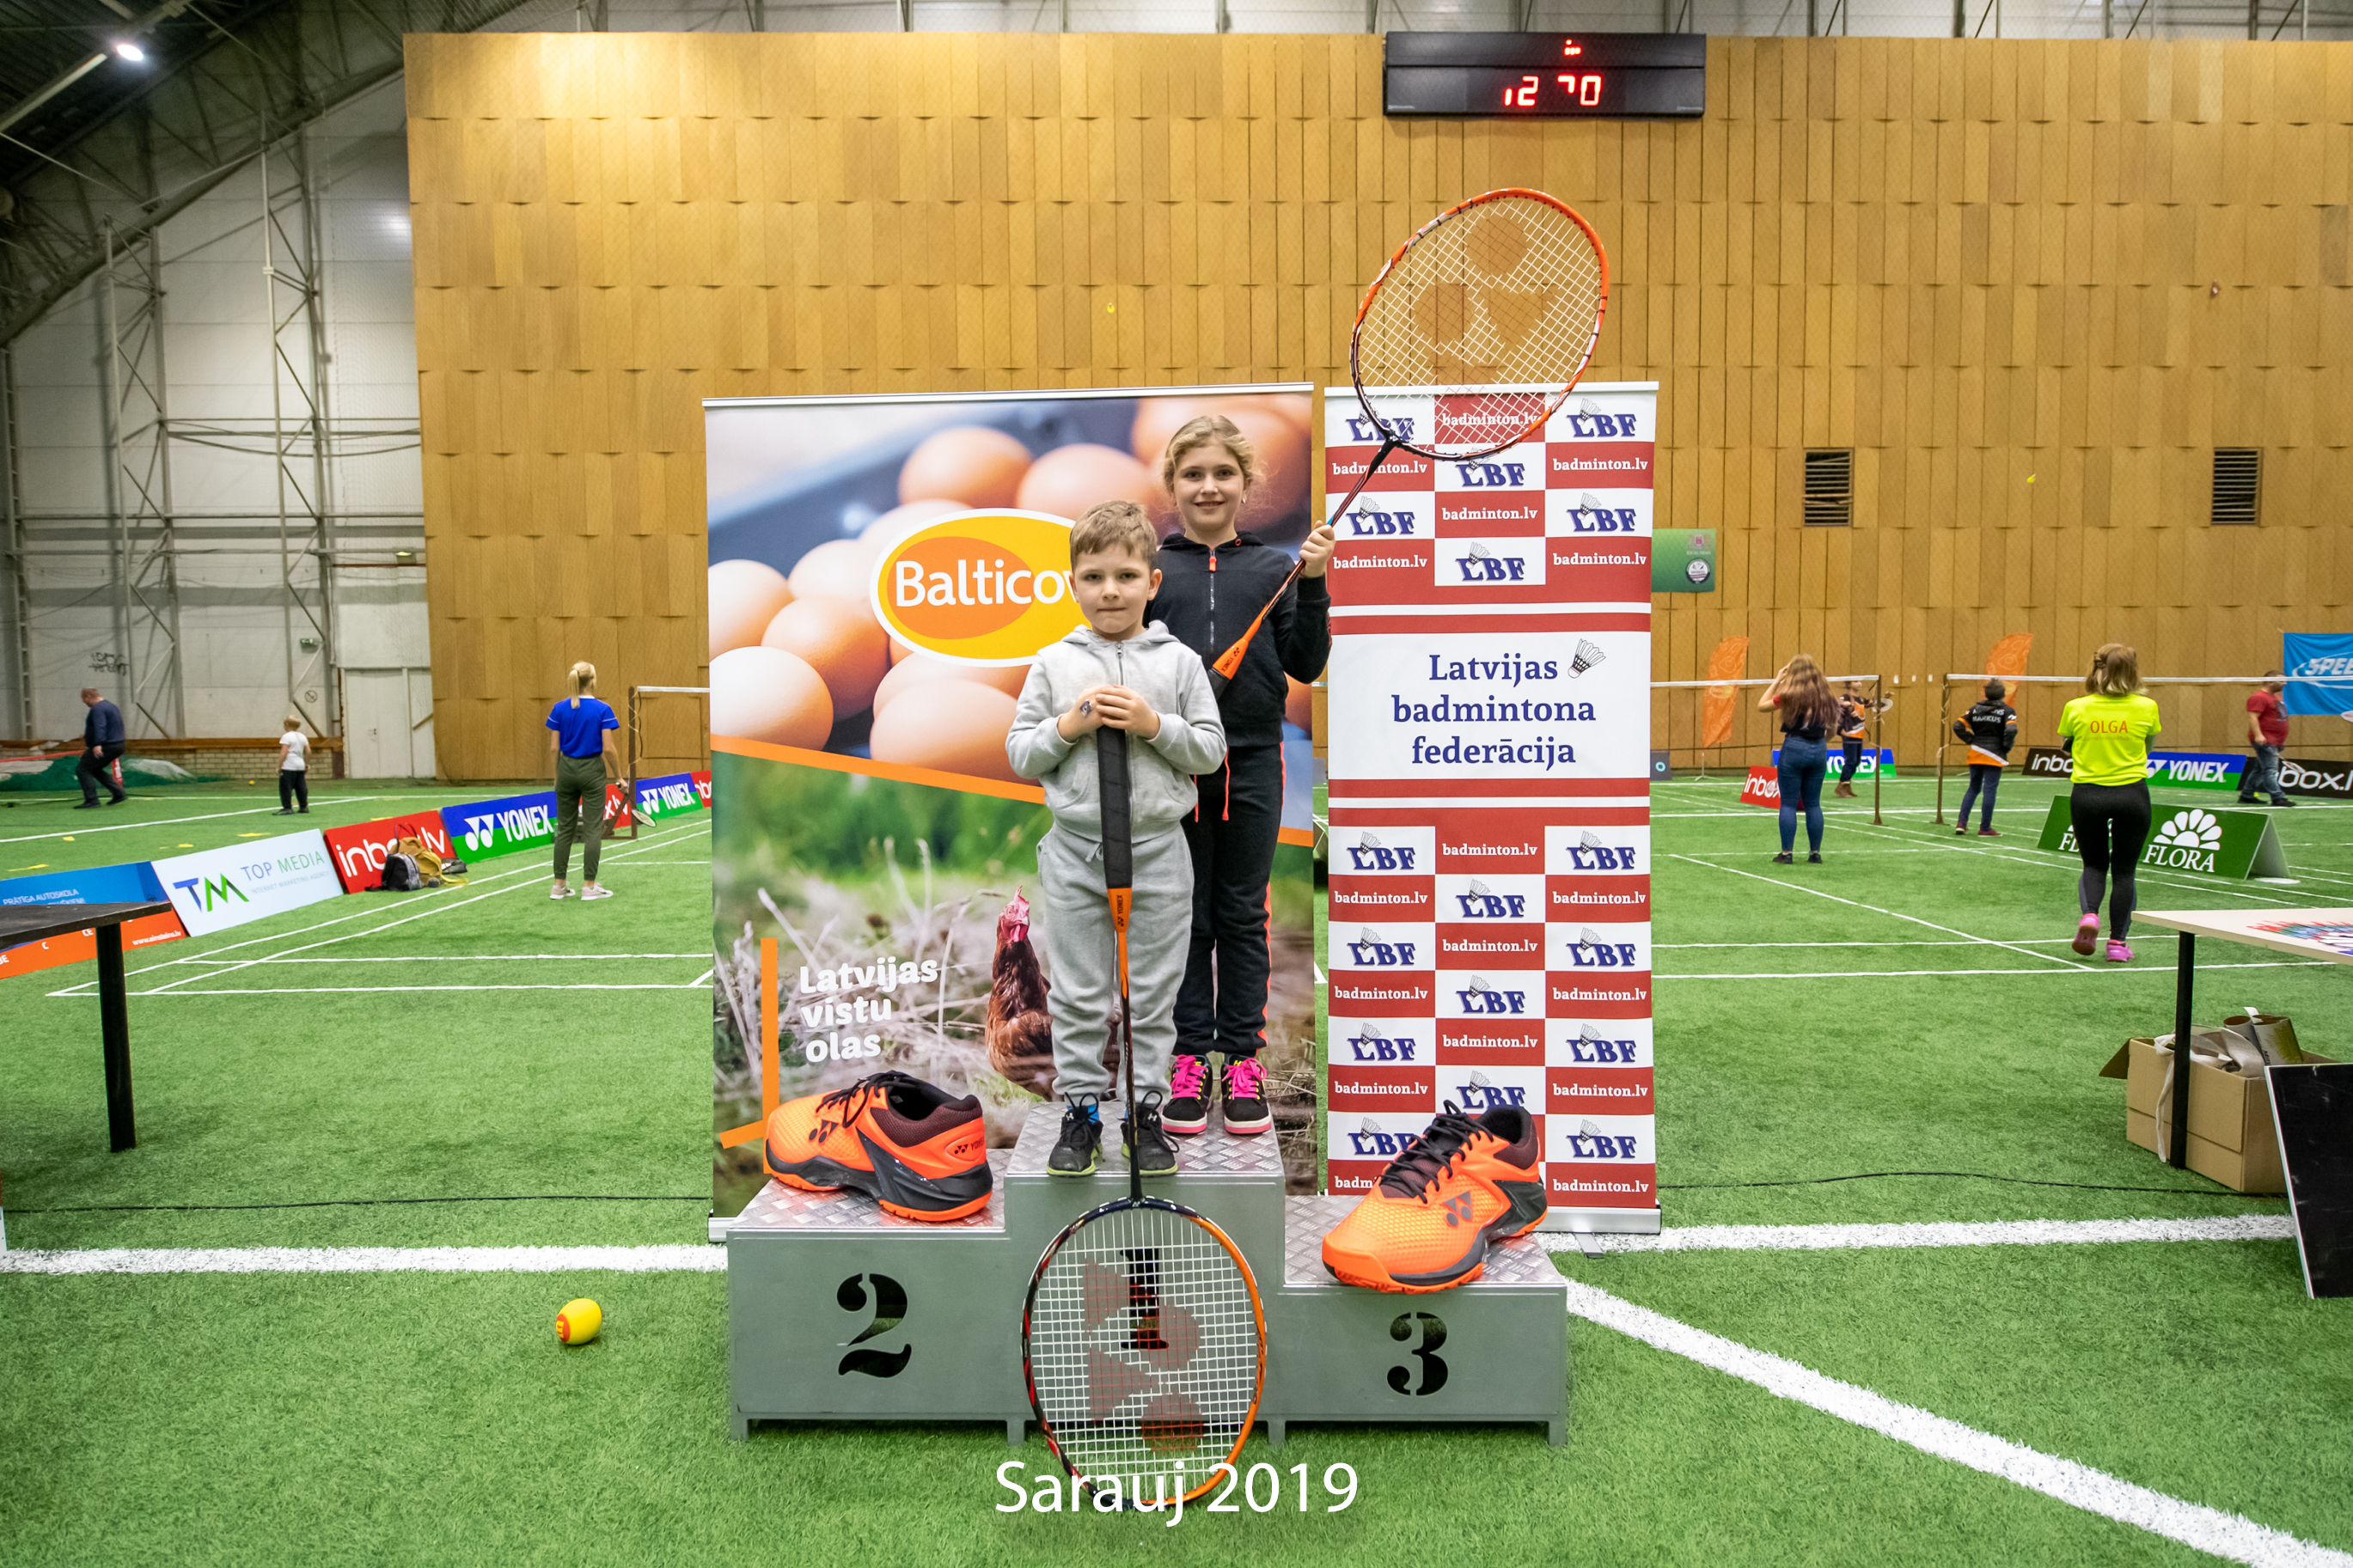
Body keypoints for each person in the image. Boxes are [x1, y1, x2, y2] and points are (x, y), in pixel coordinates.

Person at [1008, 500, 1227, 1180]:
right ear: (1072, 583)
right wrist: (1067, 727)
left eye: (1127, 575)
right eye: (1095, 576)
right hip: (1076, 853)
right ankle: (1081, 1112)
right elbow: (1020, 752)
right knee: (1078, 992)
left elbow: (1210, 751)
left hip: (1160, 851)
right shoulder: (1053, 663)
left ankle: (1145, 1113)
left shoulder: (1180, 662)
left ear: (1152, 583)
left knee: (1153, 994)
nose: (1110, 590)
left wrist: (1153, 723)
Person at [1146, 414, 1333, 1138]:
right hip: (1173, 767)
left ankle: (1243, 1063)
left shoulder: (1272, 568)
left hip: (1254, 759)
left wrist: (1312, 583)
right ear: (1172, 484)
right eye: (1193, 473)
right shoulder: (1155, 571)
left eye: (1223, 472)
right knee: (1187, 915)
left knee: (1242, 916)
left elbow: (1305, 663)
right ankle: (1190, 1059)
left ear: (1246, 483)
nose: (1209, 486)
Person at [2057, 644, 2161, 963]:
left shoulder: (2076, 707)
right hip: (2132, 795)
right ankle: (2117, 944)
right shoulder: (2147, 707)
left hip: (2088, 795)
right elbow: (2148, 747)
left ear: (2095, 669)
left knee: (2093, 865)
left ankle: (2090, 914)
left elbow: (2066, 746)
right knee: (2125, 872)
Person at [547, 661, 619, 901]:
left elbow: (554, 748)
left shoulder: (559, 709)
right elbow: (608, 748)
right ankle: (589, 887)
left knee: (564, 829)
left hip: (566, 769)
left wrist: (557, 776)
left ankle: (558, 886)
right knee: (593, 830)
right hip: (592, 771)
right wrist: (619, 776)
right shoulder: (602, 709)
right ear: (593, 680)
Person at [1759, 654, 1839, 864]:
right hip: (1818, 749)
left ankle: (1787, 853)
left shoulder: (1788, 696)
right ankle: (1815, 853)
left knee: (1788, 803)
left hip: (1794, 747)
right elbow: (1833, 729)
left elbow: (1762, 705)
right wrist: (1822, 743)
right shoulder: (1827, 697)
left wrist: (1777, 680)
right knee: (1813, 804)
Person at [1951, 679, 2018, 836]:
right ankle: (1985, 828)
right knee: (1990, 790)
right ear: (2003, 694)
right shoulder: (2007, 711)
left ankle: (1961, 823)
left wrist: (1971, 740)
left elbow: (1958, 726)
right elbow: (2011, 730)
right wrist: (2006, 746)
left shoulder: (1975, 709)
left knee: (1973, 788)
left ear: (1985, 693)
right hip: (1995, 754)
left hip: (1976, 752)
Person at [2237, 670, 2296, 808]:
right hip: (2266, 740)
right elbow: (2253, 717)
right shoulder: (2259, 697)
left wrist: (2280, 741)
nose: (2285, 683)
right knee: (2270, 770)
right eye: (2281, 681)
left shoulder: (2276, 698)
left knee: (2259, 769)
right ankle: (2277, 797)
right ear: (2270, 682)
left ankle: (2247, 795)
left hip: (2275, 741)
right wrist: (2259, 735)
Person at [76, 686, 127, 808]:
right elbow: (110, 726)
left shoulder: (97, 708)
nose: (83, 702)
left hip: (106, 746)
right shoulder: (111, 706)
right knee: (95, 769)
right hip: (118, 745)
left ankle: (92, 801)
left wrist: (97, 744)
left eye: (84, 699)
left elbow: (100, 726)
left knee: (82, 770)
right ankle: (118, 793)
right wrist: (88, 735)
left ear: (88, 697)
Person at [1832, 684, 1872, 798]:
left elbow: (1873, 704)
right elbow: (1838, 705)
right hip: (1849, 733)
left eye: (1860, 681)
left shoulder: (1861, 699)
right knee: (1851, 761)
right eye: (1856, 681)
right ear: (1849, 684)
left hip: (1860, 734)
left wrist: (1886, 698)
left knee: (1856, 762)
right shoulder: (1846, 697)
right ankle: (1841, 786)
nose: (1859, 683)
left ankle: (1847, 785)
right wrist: (1846, 704)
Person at [275, 716, 311, 815]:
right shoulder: (302, 736)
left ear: (287, 725)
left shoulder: (286, 736)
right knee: (301, 787)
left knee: (285, 787)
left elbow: (283, 753)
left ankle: (287, 808)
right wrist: (307, 763)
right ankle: (303, 807)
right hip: (300, 766)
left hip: (288, 766)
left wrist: (279, 766)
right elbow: (308, 751)